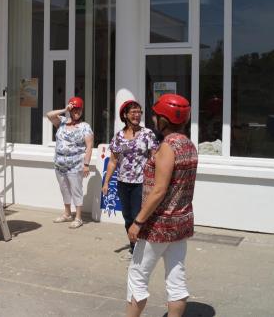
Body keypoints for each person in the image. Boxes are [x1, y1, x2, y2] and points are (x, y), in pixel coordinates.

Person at [126, 94, 197, 317]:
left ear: (165, 120)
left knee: (137, 276)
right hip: (180, 223)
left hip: (157, 225)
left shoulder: (168, 147)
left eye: (156, 116)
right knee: (176, 278)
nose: (154, 120)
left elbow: (159, 190)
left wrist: (138, 222)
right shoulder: (189, 145)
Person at [103, 100, 158, 259]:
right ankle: (134, 246)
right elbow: (113, 161)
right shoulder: (119, 137)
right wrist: (106, 182)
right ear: (125, 115)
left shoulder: (148, 134)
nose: (136, 115)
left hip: (141, 183)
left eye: (138, 112)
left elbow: (154, 159)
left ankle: (140, 249)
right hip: (122, 182)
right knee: (127, 216)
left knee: (137, 215)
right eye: (133, 112)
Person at [46, 97, 94, 229]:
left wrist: (86, 165)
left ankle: (78, 217)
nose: (76, 112)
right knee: (64, 189)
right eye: (74, 109)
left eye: (79, 109)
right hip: (59, 163)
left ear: (82, 110)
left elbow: (89, 146)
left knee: (76, 190)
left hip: (75, 164)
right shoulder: (61, 122)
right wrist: (65, 109)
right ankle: (67, 214)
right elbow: (49, 115)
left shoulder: (85, 127)